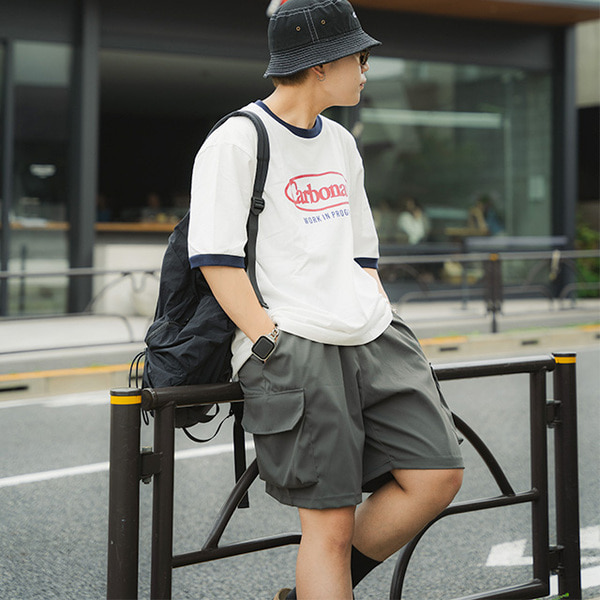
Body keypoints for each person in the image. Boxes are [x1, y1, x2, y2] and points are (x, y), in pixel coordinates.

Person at [187, 1, 464, 598]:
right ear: (321, 64)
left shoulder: (340, 141)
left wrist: (376, 309)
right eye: (358, 58)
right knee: (330, 527)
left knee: (437, 475)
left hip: (371, 333)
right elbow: (214, 257)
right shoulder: (238, 139)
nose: (365, 69)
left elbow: (363, 251)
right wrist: (268, 341)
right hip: (295, 343)